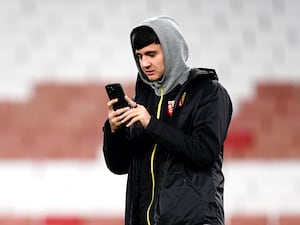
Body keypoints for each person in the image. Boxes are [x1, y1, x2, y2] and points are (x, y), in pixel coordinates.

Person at [103, 16, 233, 225]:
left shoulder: (208, 93)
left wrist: (151, 124)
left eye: (151, 54)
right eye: (140, 56)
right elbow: (119, 165)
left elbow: (205, 153)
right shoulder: (142, 102)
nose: (145, 63)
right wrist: (113, 130)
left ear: (171, 50)